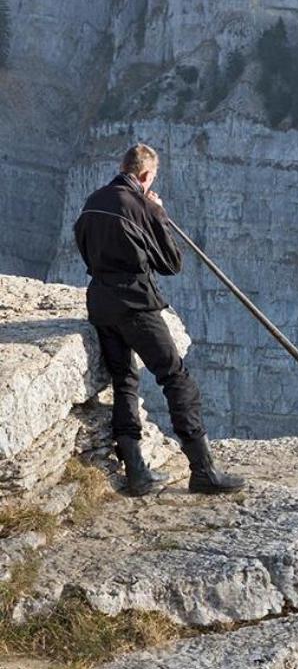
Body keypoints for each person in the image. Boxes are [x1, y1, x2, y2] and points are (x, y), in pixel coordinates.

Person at [73, 144, 245, 496]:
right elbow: (171, 263)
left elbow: (83, 246)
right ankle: (203, 469)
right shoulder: (143, 207)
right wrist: (159, 215)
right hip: (135, 302)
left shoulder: (92, 200)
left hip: (101, 302)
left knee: (124, 381)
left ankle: (136, 473)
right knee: (175, 378)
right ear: (146, 176)